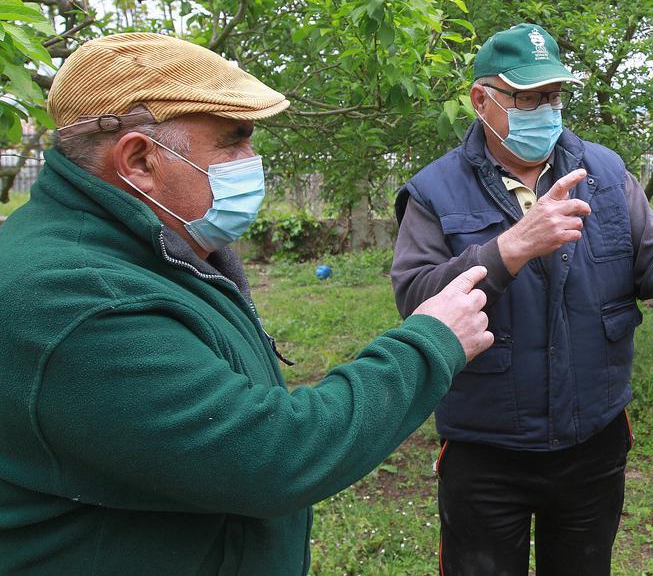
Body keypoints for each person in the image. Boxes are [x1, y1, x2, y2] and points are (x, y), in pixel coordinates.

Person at [0, 33, 493, 574]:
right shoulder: (75, 299)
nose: (251, 162)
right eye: (232, 142)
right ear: (140, 160)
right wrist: (432, 341)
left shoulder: (146, 249)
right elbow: (272, 454)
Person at [391, 23, 653, 574]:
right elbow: (415, 300)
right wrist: (511, 247)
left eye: (554, 96)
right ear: (481, 100)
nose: (545, 109)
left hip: (592, 441)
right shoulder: (434, 190)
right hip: (486, 449)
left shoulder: (605, 172)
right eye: (527, 97)